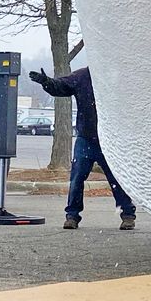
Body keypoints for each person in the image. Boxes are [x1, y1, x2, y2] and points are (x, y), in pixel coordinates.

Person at [29, 56, 136, 231]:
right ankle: (72, 216)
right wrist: (46, 82)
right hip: (87, 138)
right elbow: (61, 86)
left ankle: (128, 214)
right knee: (78, 177)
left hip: (108, 139)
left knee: (115, 177)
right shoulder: (83, 77)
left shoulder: (113, 77)